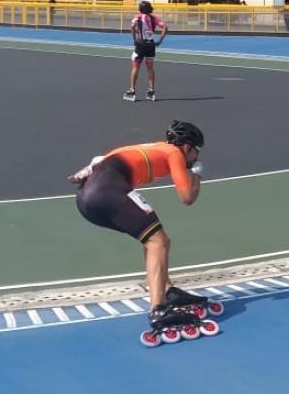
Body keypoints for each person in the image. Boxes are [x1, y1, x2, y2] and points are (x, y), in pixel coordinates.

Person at [68, 120, 214, 346]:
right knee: (158, 240)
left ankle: (166, 290)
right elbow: (187, 198)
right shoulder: (174, 153)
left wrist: (90, 168)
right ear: (187, 148)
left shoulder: (153, 147)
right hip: (108, 191)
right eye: (197, 152)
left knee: (155, 239)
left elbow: (103, 158)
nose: (197, 157)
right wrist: (197, 174)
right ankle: (159, 310)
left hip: (87, 199)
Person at [125, 1, 166, 102]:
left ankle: (132, 90)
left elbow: (132, 27)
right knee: (150, 68)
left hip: (140, 45)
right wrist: (160, 40)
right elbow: (165, 27)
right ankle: (151, 91)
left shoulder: (138, 17)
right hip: (150, 45)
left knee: (135, 67)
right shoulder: (154, 18)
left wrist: (134, 39)